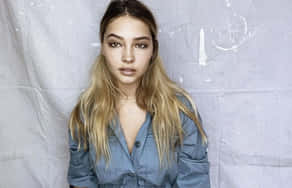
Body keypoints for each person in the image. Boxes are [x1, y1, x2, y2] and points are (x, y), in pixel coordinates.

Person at [67, 0, 211, 187]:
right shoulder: (85, 114)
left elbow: (194, 183)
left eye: (140, 45)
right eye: (115, 44)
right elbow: (82, 181)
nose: (128, 57)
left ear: (153, 50)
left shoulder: (180, 111)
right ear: (102, 47)